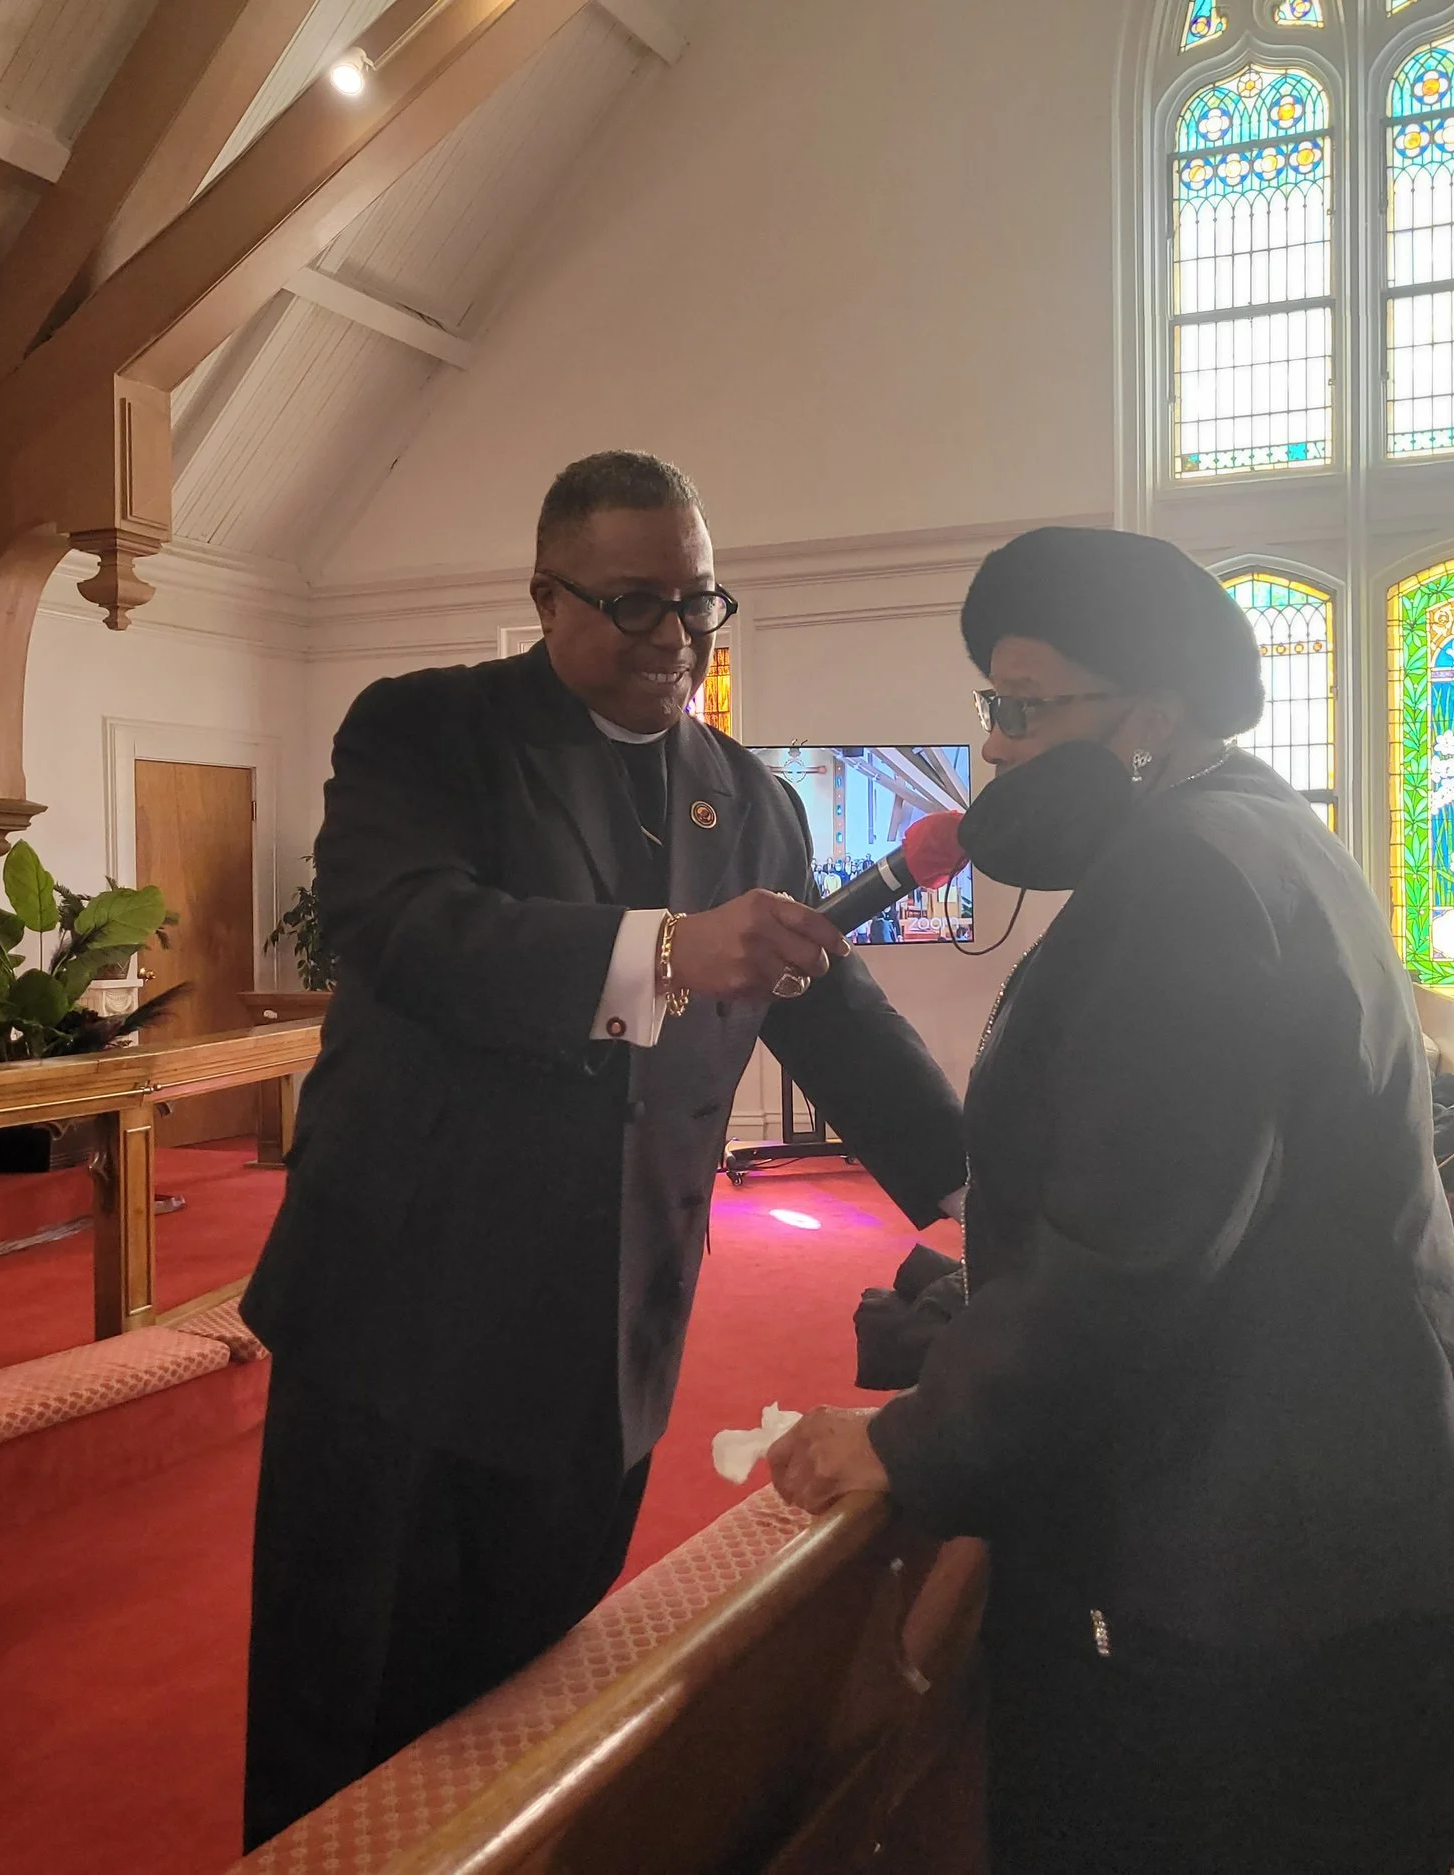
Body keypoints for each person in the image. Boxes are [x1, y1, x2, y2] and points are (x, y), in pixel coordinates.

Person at [768, 526, 1454, 1874]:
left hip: (1287, 1567)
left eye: (1023, 707)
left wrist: (908, 1442)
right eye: (989, 709)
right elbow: (1073, 1155)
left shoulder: (1188, 876)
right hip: (1339, 1523)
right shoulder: (1240, 831)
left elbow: (1127, 1247)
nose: (996, 750)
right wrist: (820, 992)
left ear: (1153, 718)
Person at [238, 452, 966, 1848]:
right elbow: (402, 923)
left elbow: (820, 995)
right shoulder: (427, 731)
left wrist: (970, 1185)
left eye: (699, 602)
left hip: (611, 1314)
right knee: (350, 1696)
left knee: (534, 1687)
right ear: (544, 594)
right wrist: (666, 949)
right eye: (635, 602)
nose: (676, 638)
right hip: (406, 1306)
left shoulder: (747, 794)